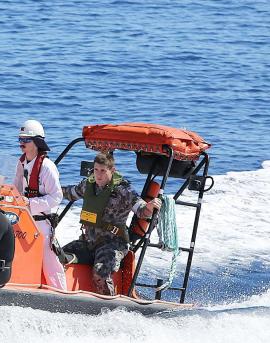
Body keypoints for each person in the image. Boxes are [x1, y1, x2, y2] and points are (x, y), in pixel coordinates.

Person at [61, 151, 162, 295]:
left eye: (103, 171)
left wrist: (149, 207)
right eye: (96, 170)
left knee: (100, 274)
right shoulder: (88, 185)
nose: (98, 175)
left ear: (112, 171)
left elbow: (141, 210)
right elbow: (69, 193)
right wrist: (47, 188)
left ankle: (109, 309)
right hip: (89, 242)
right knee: (57, 256)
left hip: (113, 245)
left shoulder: (124, 191)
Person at [12, 119, 66, 290]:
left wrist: (31, 203)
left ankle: (61, 296)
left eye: (25, 140)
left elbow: (57, 197)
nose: (22, 143)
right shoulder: (21, 163)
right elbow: (16, 190)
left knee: (51, 264)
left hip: (42, 223)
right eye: (20, 139)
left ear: (37, 142)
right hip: (22, 220)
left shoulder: (48, 168)